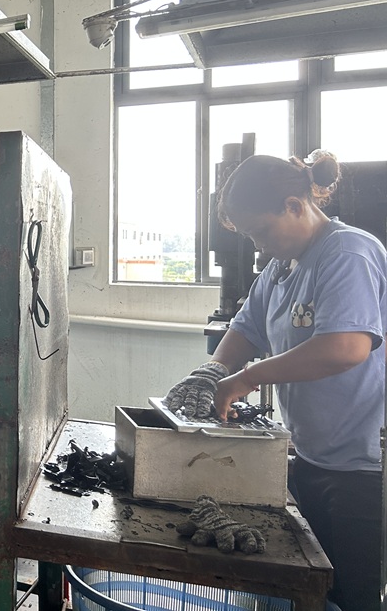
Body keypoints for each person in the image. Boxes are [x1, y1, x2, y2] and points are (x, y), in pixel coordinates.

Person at [164, 150, 385, 611]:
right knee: (313, 588)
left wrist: (247, 378)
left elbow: (346, 346)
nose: (260, 247)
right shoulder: (280, 269)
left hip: (364, 468)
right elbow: (245, 329)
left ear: (293, 205)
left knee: (354, 596)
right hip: (312, 457)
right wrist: (212, 372)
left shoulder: (347, 253)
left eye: (261, 233)